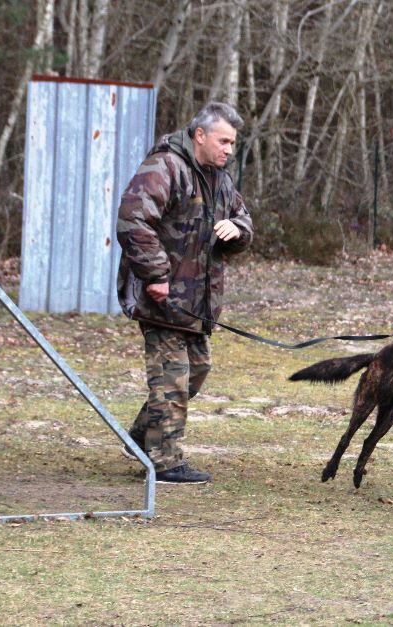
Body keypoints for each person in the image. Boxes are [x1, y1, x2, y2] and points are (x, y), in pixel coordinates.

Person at [116, 102, 254, 484]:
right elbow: (133, 220)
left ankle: (141, 436)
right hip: (161, 297)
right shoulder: (165, 167)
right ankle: (164, 461)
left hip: (197, 303)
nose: (229, 149)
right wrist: (155, 274)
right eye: (223, 141)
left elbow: (244, 221)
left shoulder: (219, 180)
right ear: (200, 135)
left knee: (195, 372)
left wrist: (237, 230)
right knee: (171, 378)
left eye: (232, 143)